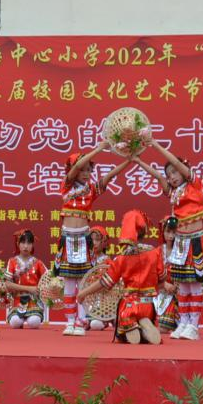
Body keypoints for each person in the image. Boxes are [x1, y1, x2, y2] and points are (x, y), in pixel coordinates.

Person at [133, 140, 203, 340]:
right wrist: (138, 161)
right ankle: (183, 322)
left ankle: (194, 326)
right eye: (170, 175)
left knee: (195, 284)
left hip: (195, 241)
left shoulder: (194, 184)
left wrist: (154, 144)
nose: (172, 177)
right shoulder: (173, 192)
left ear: (183, 170)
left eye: (175, 172)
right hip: (180, 242)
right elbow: (158, 176)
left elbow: (175, 162)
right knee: (182, 285)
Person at [57, 142, 132, 336]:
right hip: (68, 238)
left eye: (88, 170)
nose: (85, 173)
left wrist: (128, 160)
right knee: (69, 284)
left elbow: (110, 176)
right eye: (82, 169)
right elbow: (74, 168)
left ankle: (81, 322)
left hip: (84, 238)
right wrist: (100, 148)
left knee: (83, 282)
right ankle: (70, 322)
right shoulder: (66, 185)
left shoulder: (91, 190)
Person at [78, 210, 164, 345]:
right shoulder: (155, 252)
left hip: (130, 305)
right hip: (148, 304)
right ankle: (144, 324)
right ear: (144, 231)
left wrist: (83, 293)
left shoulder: (123, 258)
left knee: (124, 322)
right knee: (144, 315)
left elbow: (105, 282)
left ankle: (131, 326)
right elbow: (162, 278)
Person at [4, 229, 47, 329]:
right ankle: (19, 319)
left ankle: (32, 316)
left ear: (32, 245)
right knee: (15, 322)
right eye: (23, 242)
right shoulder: (12, 261)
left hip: (33, 301)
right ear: (18, 244)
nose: (26, 246)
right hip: (17, 301)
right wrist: (29, 288)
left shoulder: (38, 263)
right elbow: (7, 284)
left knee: (34, 322)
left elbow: (48, 279)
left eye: (29, 243)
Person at [154, 215, 181, 334]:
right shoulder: (157, 251)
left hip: (176, 294)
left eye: (174, 232)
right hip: (159, 291)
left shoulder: (181, 251)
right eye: (168, 232)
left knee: (163, 328)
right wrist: (164, 284)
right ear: (163, 232)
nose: (170, 235)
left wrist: (176, 287)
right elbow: (152, 274)